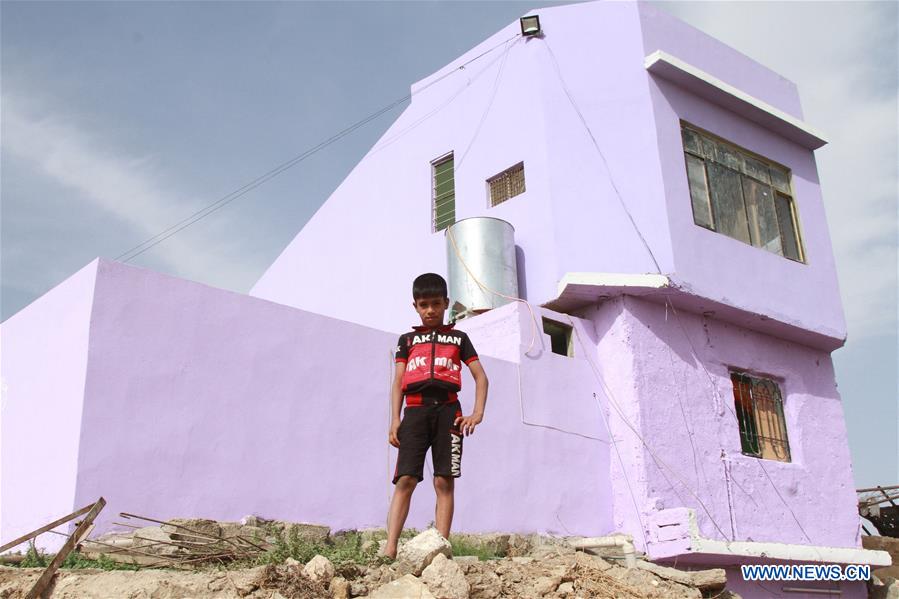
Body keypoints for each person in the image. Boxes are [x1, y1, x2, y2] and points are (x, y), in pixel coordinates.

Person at [384, 273, 488, 559]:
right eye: (423, 305)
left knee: (444, 481)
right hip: (415, 413)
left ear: (446, 303)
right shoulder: (407, 341)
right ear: (415, 306)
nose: (430, 310)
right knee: (405, 479)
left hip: (449, 413)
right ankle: (390, 549)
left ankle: (441, 550)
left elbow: (481, 377)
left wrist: (477, 413)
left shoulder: (459, 338)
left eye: (436, 304)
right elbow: (398, 382)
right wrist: (395, 419)